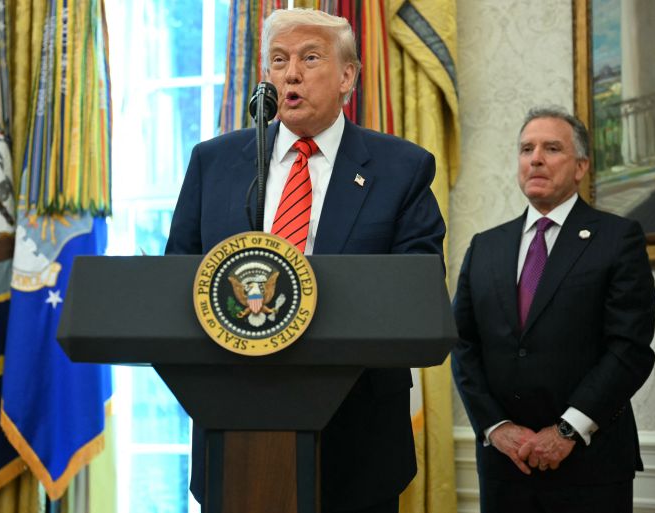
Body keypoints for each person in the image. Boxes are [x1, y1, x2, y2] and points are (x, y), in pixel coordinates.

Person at [165, 8, 445, 513]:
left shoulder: (402, 168)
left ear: (347, 76)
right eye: (278, 60)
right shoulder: (216, 162)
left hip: (357, 432)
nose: (290, 73)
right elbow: (177, 275)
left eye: (308, 58)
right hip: (234, 424)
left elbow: (414, 290)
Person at [452, 105, 655, 513]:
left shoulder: (618, 239)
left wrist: (567, 430)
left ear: (580, 166)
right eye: (527, 149)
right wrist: (496, 427)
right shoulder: (485, 247)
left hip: (590, 465)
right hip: (505, 466)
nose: (536, 159)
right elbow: (462, 344)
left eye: (551, 148)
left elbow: (630, 350)